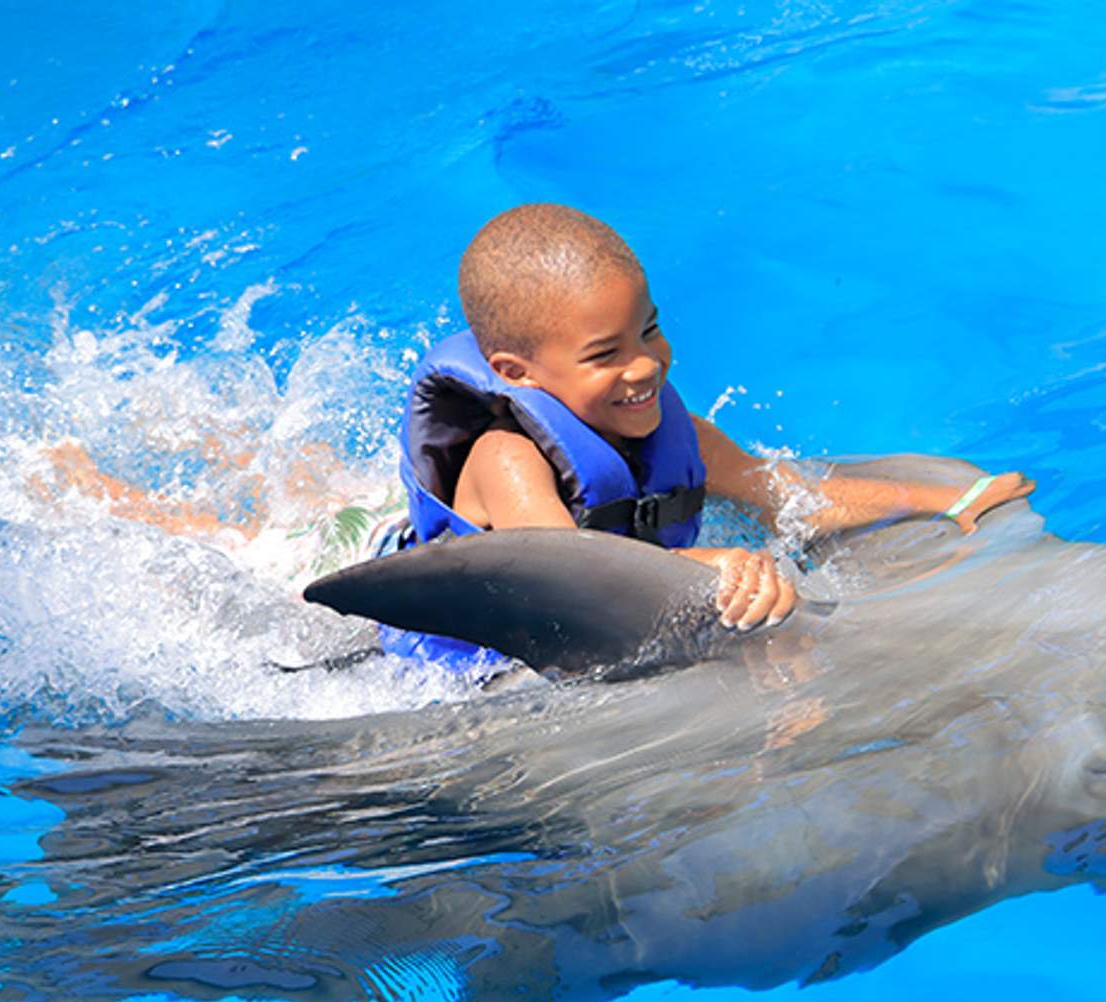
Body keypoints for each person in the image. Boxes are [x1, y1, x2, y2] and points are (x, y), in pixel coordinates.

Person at [384, 202, 1032, 667]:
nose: (644, 365)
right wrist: (717, 568)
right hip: (462, 659)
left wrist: (946, 501)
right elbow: (569, 577)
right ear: (514, 374)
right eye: (603, 354)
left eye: (649, 329)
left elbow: (784, 494)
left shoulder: (677, 431)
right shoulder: (507, 460)